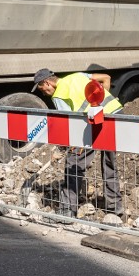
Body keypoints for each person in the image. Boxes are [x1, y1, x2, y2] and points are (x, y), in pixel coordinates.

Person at [32, 68, 124, 218]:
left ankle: (67, 210)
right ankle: (115, 210)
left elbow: (68, 125)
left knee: (73, 164)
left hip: (92, 125)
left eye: (42, 89)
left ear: (47, 83)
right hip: (115, 117)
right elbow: (106, 77)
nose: (43, 93)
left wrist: (61, 149)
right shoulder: (77, 76)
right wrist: (101, 106)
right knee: (110, 165)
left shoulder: (59, 95)